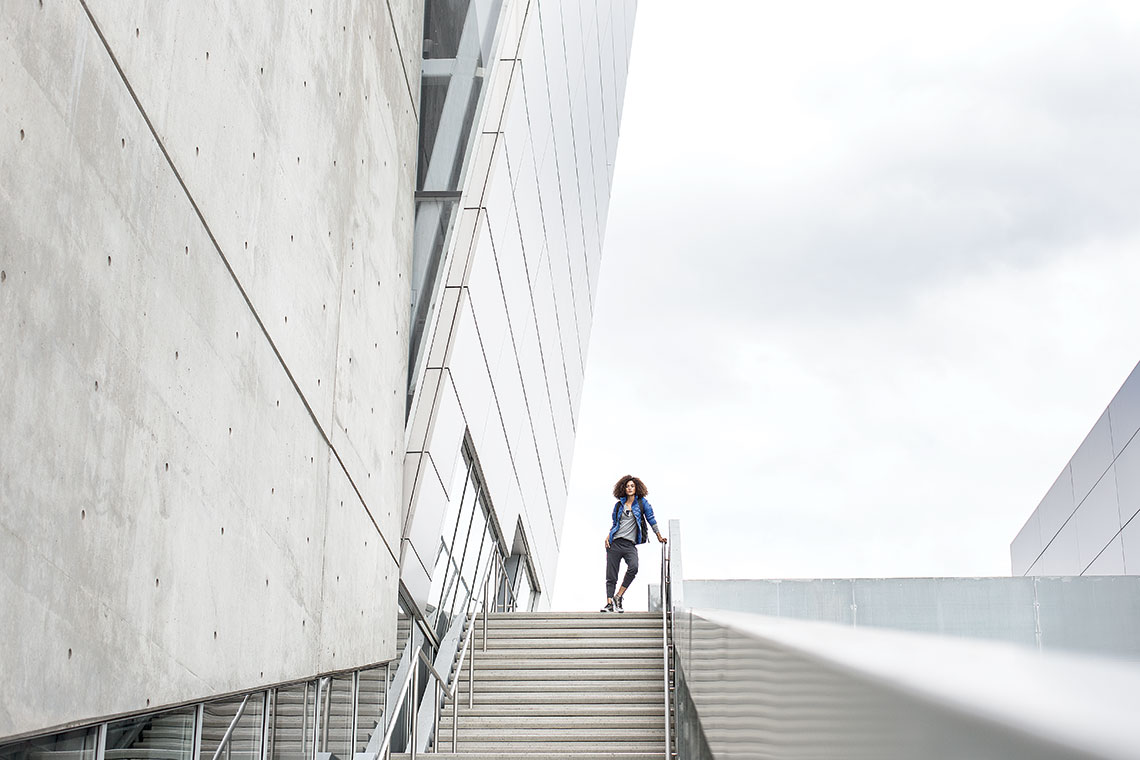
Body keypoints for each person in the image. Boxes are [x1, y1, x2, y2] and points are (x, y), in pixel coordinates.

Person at [601, 474, 666, 613]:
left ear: (636, 488)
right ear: (623, 489)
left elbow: (651, 519)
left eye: (632, 486)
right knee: (611, 575)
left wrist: (659, 536)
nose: (629, 488)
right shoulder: (619, 505)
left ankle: (618, 596)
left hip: (630, 544)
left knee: (634, 567)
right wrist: (608, 535)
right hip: (615, 543)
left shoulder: (642, 504)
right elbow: (615, 524)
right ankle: (609, 603)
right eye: (627, 486)